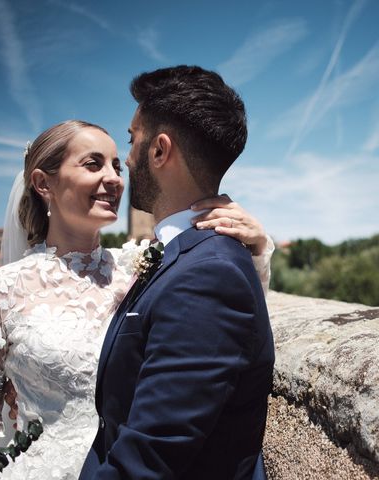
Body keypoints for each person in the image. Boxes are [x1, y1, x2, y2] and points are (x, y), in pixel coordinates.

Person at [0, 119, 274, 479]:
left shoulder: (145, 269)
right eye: (93, 164)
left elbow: (224, 329)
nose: (114, 178)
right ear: (42, 183)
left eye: (115, 164)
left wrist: (255, 246)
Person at [79, 66, 274, 479]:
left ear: (160, 150)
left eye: (133, 141)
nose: (126, 161)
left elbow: (146, 464)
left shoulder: (208, 275)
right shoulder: (188, 256)